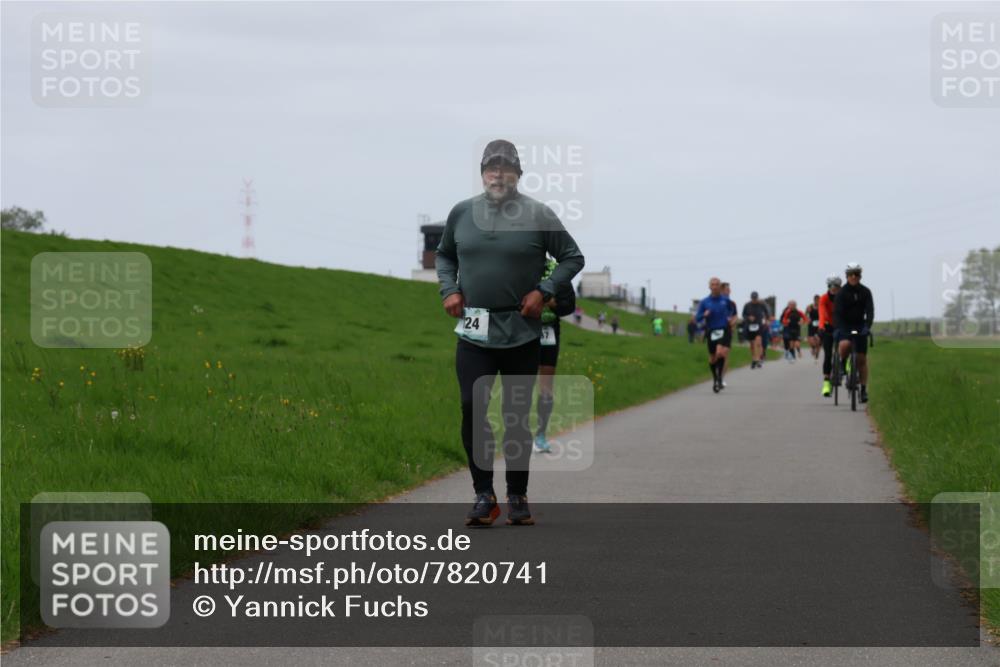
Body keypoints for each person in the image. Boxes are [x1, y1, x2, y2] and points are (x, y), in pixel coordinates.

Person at [436, 139, 585, 526]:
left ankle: (517, 493)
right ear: (482, 173)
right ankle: (484, 495)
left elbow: (572, 257)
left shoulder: (538, 214)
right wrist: (449, 289)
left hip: (521, 331)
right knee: (472, 406)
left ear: (518, 174)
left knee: (515, 415)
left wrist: (544, 291)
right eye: (491, 168)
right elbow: (445, 254)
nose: (498, 174)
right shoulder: (462, 212)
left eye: (505, 168)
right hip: (475, 330)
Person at [534, 258, 577, 454]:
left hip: (548, 330)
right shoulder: (515, 263)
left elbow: (569, 305)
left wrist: (552, 303)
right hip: (521, 327)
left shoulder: (556, 271)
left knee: (546, 386)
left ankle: (540, 435)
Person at [834, 262, 874, 403]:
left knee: (861, 360)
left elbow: (870, 311)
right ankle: (843, 362)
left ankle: (863, 390)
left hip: (860, 325)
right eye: (851, 274)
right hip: (845, 325)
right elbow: (837, 314)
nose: (853, 277)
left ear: (860, 276)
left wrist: (867, 326)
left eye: (856, 274)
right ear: (847, 276)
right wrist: (840, 327)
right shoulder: (841, 293)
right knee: (845, 344)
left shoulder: (866, 292)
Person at [694, 277, 736, 393]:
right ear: (709, 287)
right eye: (713, 284)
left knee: (720, 352)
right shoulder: (705, 302)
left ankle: (719, 379)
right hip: (712, 330)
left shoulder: (726, 300)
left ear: (719, 286)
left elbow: (733, 313)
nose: (715, 286)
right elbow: (697, 318)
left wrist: (731, 320)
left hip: (724, 329)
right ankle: (716, 378)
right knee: (713, 358)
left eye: (717, 284)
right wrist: (704, 315)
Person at [818, 275, 841, 397]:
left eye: (836, 285)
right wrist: (821, 327)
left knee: (845, 347)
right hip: (828, 326)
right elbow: (821, 313)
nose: (833, 288)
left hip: (842, 326)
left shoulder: (843, 296)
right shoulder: (824, 298)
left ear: (839, 286)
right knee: (828, 355)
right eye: (830, 285)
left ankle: (846, 365)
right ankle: (826, 382)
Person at [741, 291, 770, 368]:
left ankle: (759, 359)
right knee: (752, 344)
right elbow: (743, 315)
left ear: (757, 297)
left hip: (759, 325)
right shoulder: (747, 305)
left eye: (755, 298)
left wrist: (767, 321)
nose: (754, 300)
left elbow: (767, 313)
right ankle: (754, 359)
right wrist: (748, 317)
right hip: (749, 326)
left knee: (758, 342)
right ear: (751, 298)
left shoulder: (761, 305)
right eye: (753, 298)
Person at [720, 282, 738, 386]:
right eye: (727, 289)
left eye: (729, 289)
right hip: (716, 330)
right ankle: (716, 374)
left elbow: (735, 316)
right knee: (716, 355)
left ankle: (721, 378)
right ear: (721, 290)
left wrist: (732, 322)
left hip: (727, 330)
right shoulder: (715, 302)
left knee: (725, 354)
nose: (729, 291)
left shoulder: (732, 303)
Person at [805, 295, 822, 362]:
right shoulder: (810, 307)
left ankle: (817, 355)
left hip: (819, 325)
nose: (818, 301)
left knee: (818, 341)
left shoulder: (821, 306)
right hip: (811, 325)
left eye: (819, 300)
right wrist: (807, 319)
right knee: (811, 340)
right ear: (814, 300)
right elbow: (805, 315)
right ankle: (813, 347)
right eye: (816, 300)